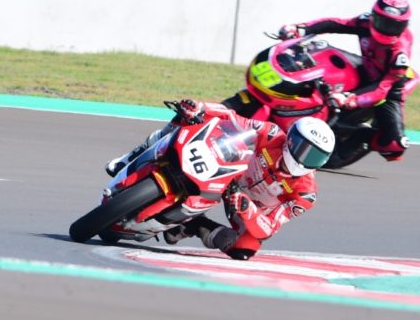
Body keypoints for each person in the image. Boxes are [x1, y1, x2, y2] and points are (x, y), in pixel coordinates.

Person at [105, 99, 334, 260]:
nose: (306, 159)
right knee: (186, 120)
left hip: (244, 203)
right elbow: (231, 117)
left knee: (244, 248)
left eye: (315, 156)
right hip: (228, 169)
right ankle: (129, 158)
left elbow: (270, 227)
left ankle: (194, 226)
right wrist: (201, 108)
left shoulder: (305, 195)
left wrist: (247, 209)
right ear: (291, 139)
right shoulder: (272, 134)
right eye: (304, 149)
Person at [276, 0, 418, 162]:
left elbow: (382, 89)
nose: (386, 29)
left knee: (395, 146)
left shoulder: (399, 54)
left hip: (389, 86)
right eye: (383, 22)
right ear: (374, 16)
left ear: (403, 26)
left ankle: (363, 136)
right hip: (366, 66)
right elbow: (336, 24)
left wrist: (351, 99)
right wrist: (301, 28)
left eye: (393, 26)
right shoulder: (366, 22)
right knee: (320, 57)